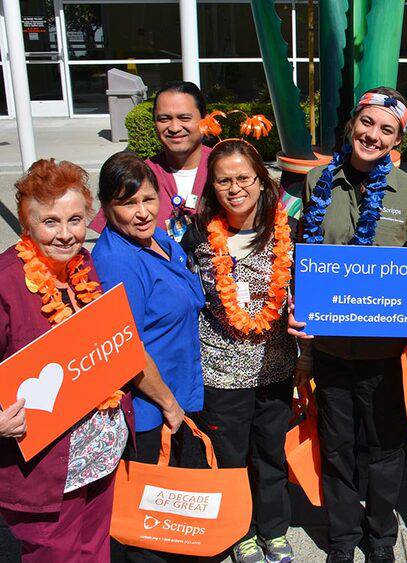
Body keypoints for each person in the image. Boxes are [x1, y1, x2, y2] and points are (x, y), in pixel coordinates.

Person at [287, 87, 407, 563]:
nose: (373, 135)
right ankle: (343, 539)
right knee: (338, 449)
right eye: (367, 123)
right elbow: (305, 260)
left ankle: (382, 539)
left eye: (386, 129)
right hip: (330, 351)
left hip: (385, 356)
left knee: (386, 453)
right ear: (352, 123)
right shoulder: (316, 182)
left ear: (397, 140)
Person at [0, 159, 133, 561]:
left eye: (75, 220)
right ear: (27, 223)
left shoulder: (82, 265)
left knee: (94, 549)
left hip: (98, 457)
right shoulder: (6, 280)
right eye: (50, 222)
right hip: (45, 470)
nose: (65, 234)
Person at [180, 140, 299, 563]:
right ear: (212, 186)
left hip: (274, 366)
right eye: (223, 180)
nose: (235, 188)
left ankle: (274, 529)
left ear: (261, 182)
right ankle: (240, 531)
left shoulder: (289, 229)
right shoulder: (196, 234)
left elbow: (305, 290)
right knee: (230, 458)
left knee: (270, 454)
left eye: (243, 178)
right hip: (222, 372)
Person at [91, 151, 207, 562]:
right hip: (150, 410)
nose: (142, 213)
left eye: (148, 200)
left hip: (181, 391)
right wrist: (169, 404)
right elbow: (128, 347)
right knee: (148, 521)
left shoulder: (159, 239)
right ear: (106, 207)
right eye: (127, 203)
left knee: (174, 514)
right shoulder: (115, 260)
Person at [91, 81, 212, 241]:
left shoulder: (225, 167)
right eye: (164, 119)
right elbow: (111, 238)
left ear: (204, 119)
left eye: (184, 118)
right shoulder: (139, 175)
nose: (174, 127)